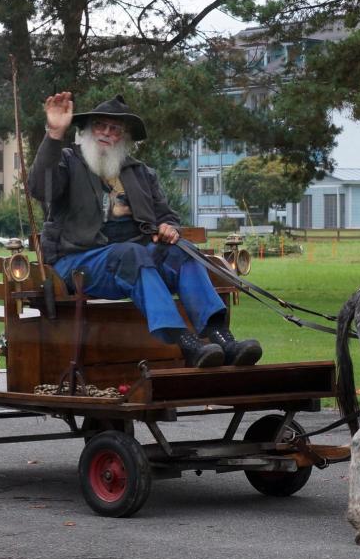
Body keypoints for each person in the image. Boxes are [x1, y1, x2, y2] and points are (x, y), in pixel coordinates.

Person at [29, 92, 262, 368]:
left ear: (124, 138)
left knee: (184, 251)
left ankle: (222, 338)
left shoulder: (140, 173)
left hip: (133, 259)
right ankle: (187, 344)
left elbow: (167, 215)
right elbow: (40, 189)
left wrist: (169, 228)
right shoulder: (67, 161)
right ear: (88, 131)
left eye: (114, 129)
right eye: (100, 126)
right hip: (79, 259)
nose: (105, 133)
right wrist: (54, 134)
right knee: (132, 254)